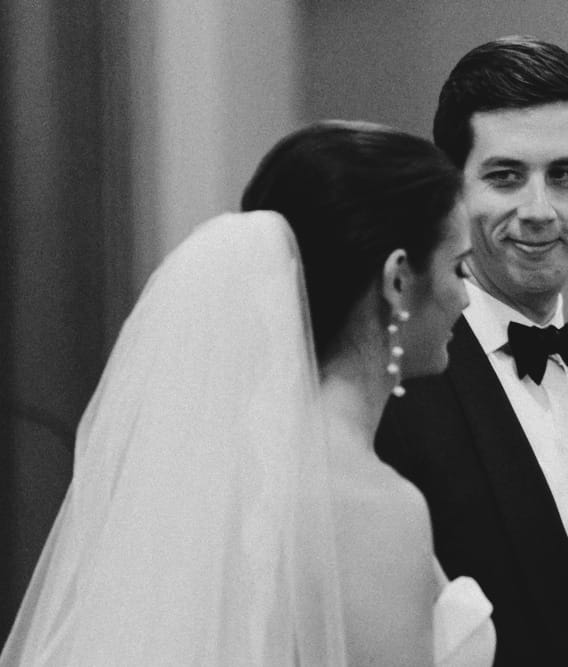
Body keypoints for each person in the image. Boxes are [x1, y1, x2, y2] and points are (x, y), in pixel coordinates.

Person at [0, 120, 495, 666]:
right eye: (460, 267)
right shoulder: (372, 506)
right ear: (398, 280)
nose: (466, 300)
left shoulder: (199, 475)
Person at [375, 36, 568, 666]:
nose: (538, 211)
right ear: (450, 188)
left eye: (563, 175)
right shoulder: (399, 396)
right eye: (506, 176)